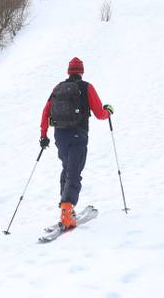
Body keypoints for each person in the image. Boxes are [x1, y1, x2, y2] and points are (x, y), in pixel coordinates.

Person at [39, 57, 113, 230]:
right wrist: (108, 112)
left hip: (60, 136)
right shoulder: (86, 87)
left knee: (67, 169)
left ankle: (66, 208)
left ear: (68, 71)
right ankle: (67, 212)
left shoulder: (58, 88)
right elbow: (99, 113)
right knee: (74, 172)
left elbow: (45, 111)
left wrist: (44, 135)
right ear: (81, 71)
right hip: (78, 134)